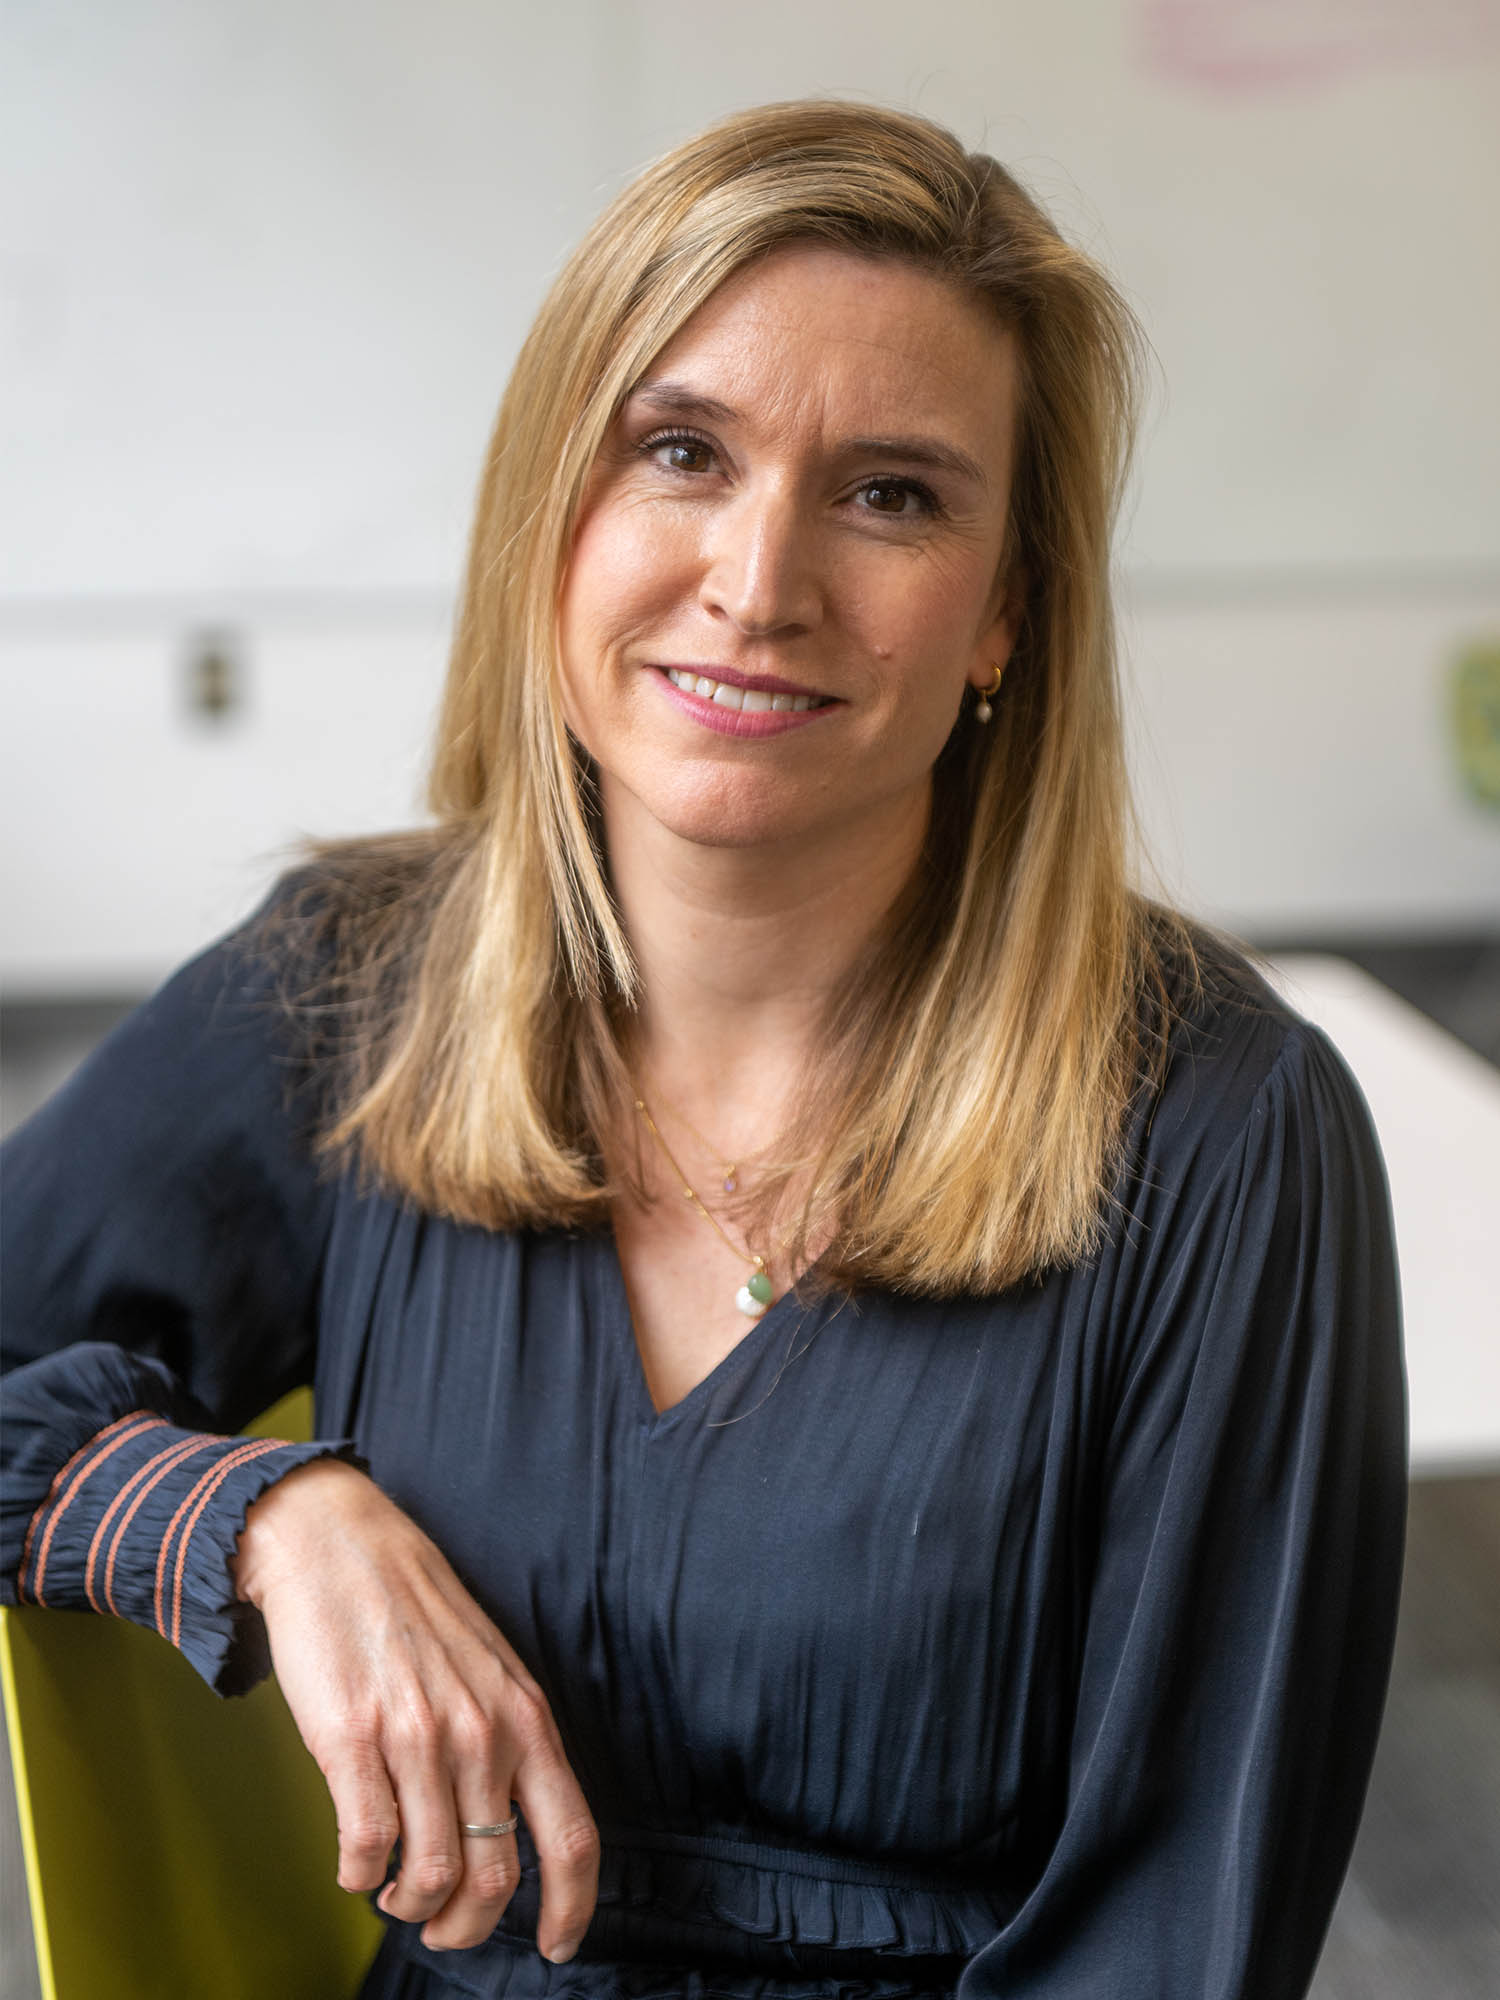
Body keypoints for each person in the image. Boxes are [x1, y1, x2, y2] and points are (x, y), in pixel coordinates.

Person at [1, 99, 1406, 2000]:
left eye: (892, 493)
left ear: (1008, 613)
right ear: (552, 517)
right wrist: (264, 1515)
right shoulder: (341, 990)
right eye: (681, 452)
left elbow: (1173, 1937)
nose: (759, 582)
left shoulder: (1226, 1127)